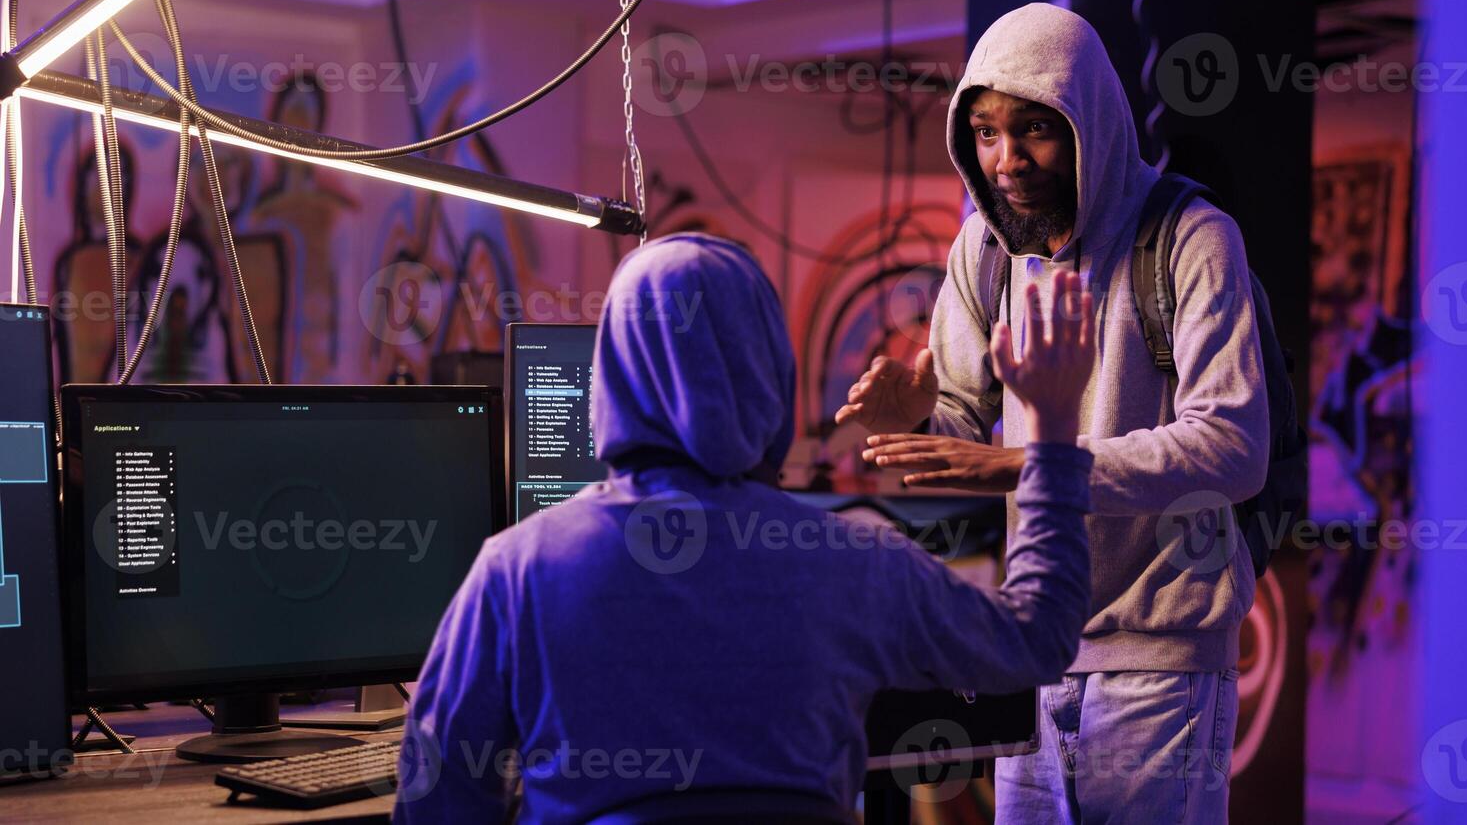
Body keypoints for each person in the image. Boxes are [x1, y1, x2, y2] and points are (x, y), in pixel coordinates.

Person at [395, 233, 1097, 823]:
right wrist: (1053, 433)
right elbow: (1036, 640)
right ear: (773, 371)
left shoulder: (517, 569)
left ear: (610, 370)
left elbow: (434, 794)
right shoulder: (849, 559)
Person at [838, 3, 1270, 823]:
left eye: (1034, 128)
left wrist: (1024, 465)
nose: (1006, 160)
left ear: (1090, 121)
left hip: (1163, 653)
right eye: (986, 132)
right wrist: (916, 422)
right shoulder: (985, 251)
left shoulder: (1190, 239)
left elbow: (1233, 448)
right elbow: (963, 438)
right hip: (1032, 646)